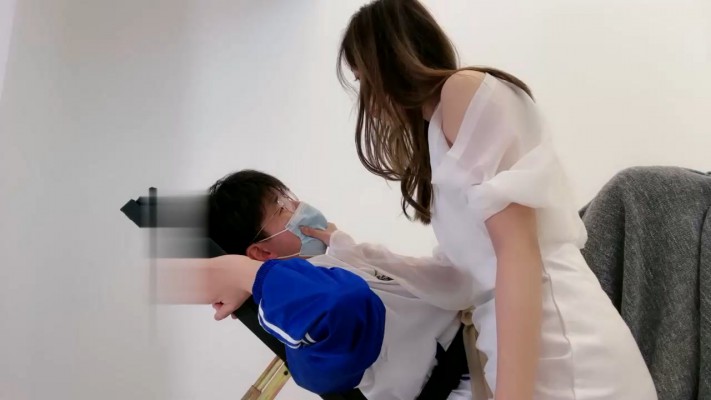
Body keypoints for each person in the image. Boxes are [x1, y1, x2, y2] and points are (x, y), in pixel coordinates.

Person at [329, 1, 658, 399]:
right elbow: (461, 281)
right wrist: (351, 252)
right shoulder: (438, 133)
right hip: (523, 344)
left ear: (390, 59)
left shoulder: (462, 91)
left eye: (364, 79)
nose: (366, 99)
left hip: (563, 344)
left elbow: (517, 251)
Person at [204, 169, 473, 400]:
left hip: (480, 343)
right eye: (282, 207)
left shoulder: (340, 259)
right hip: (468, 384)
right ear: (262, 252)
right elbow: (342, 302)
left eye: (290, 197)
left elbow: (456, 285)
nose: (298, 206)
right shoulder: (302, 318)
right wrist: (249, 275)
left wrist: (352, 250)